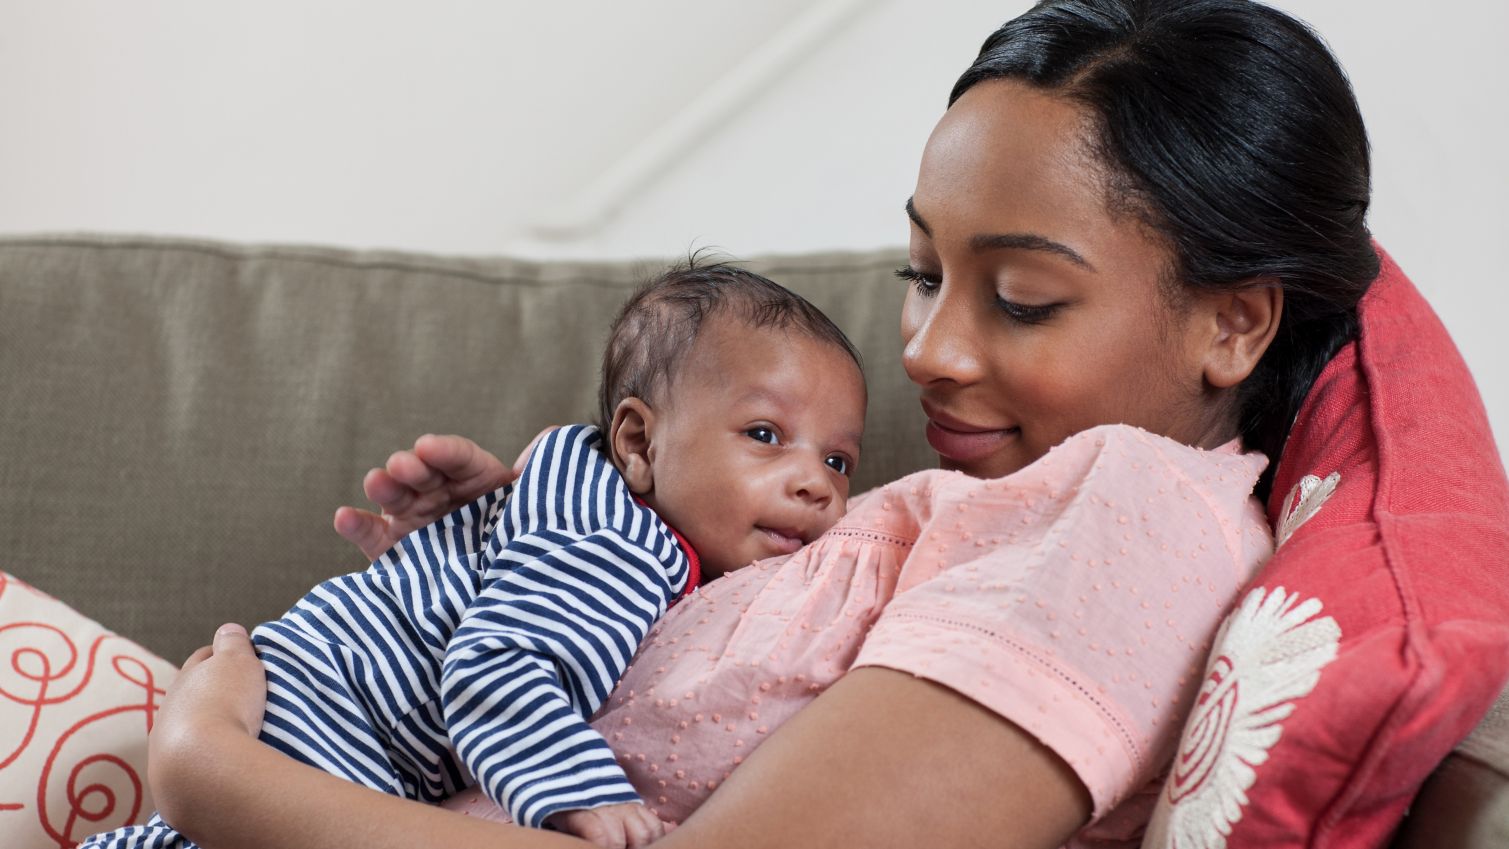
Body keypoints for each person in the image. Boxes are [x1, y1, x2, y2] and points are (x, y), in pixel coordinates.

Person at [130, 1, 1383, 847]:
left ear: (1234, 325)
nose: (928, 351)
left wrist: (218, 774)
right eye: (922, 275)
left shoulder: (1131, 515)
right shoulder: (999, 497)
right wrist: (554, 517)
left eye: (1021, 298)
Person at [82, 262, 868, 849]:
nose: (813, 484)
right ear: (638, 441)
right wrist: (582, 797)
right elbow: (494, 662)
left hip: (313, 697)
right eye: (764, 435)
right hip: (337, 723)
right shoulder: (619, 546)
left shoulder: (584, 490)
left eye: (838, 461)